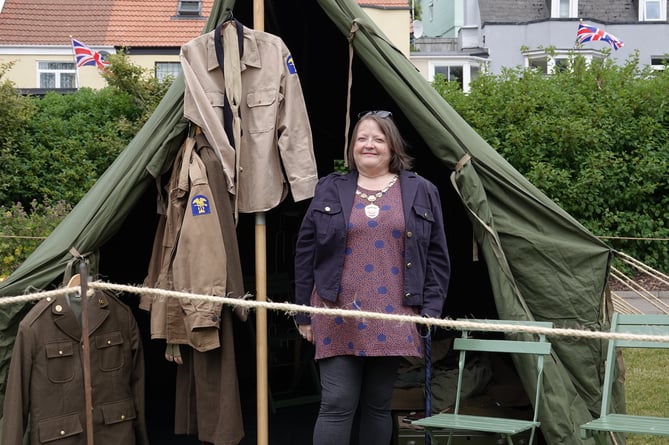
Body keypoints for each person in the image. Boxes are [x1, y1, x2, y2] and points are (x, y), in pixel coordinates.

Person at [294, 110, 451, 445]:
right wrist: (302, 313)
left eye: (378, 139)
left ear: (392, 147)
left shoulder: (422, 190)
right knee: (336, 403)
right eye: (362, 138)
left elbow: (437, 257)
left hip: (392, 314)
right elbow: (306, 252)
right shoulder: (329, 188)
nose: (369, 145)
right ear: (352, 147)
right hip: (335, 311)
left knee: (378, 405)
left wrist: (431, 312)